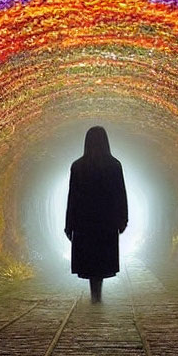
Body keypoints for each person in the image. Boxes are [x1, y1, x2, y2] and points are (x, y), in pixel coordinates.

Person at [64, 126, 128, 303]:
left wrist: (69, 225)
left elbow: (73, 198)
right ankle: (97, 296)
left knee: (90, 261)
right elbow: (120, 194)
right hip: (106, 222)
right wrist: (122, 219)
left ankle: (95, 296)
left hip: (84, 222)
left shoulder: (78, 166)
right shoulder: (114, 165)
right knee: (101, 260)